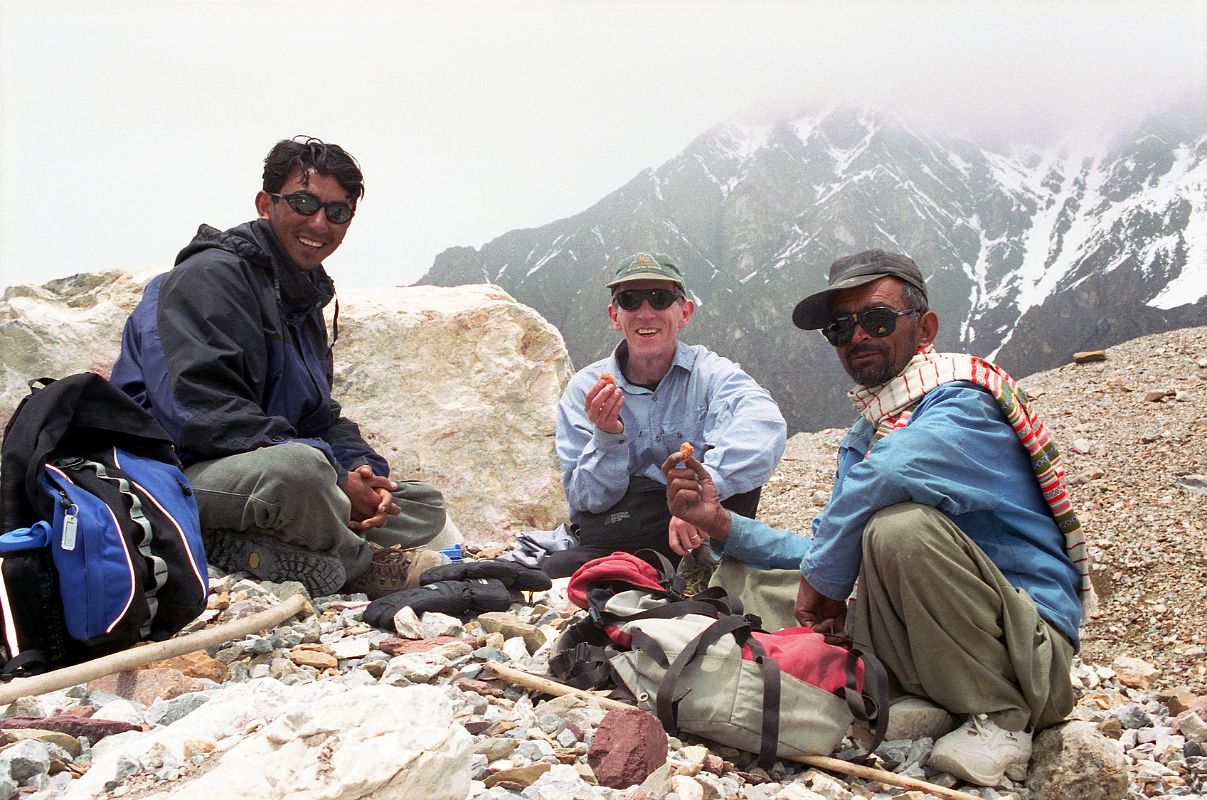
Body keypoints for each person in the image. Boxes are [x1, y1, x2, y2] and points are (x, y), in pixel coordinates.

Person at [662, 249, 1095, 787]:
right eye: (841, 327)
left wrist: (824, 579)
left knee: (899, 530)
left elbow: (889, 476)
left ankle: (1002, 717)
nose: (858, 336)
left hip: (1027, 654)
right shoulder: (876, 425)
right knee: (760, 577)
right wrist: (720, 521)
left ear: (925, 327)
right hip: (935, 638)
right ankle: (932, 695)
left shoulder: (963, 401)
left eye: (877, 319)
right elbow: (823, 546)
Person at [111, 136, 450, 599]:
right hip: (171, 475)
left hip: (266, 471)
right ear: (266, 204)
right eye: (304, 202)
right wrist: (334, 476)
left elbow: (318, 418)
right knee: (301, 474)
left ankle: (261, 548)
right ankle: (365, 566)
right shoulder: (208, 277)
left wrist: (363, 472)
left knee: (421, 502)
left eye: (337, 212)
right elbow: (197, 415)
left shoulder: (300, 296)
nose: (319, 223)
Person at [550, 251, 787, 578]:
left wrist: (703, 489)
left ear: (684, 312)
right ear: (614, 315)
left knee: (737, 485)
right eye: (630, 300)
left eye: (660, 299)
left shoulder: (711, 374)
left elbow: (765, 425)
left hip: (696, 518)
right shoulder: (585, 390)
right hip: (626, 521)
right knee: (561, 566)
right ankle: (683, 564)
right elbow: (587, 500)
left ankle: (662, 564)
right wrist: (606, 437)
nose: (645, 314)